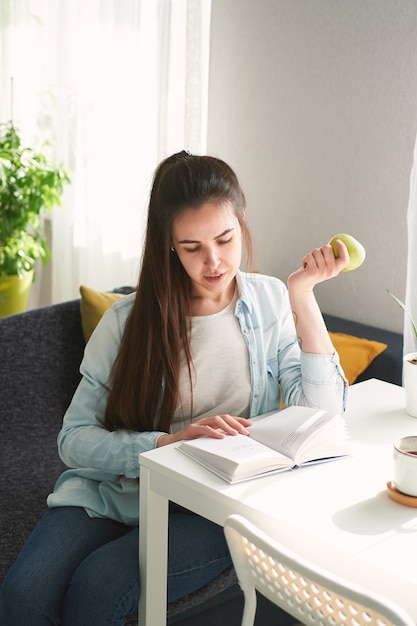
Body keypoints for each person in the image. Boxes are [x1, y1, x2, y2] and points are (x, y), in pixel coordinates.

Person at [0, 151, 348, 625]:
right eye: (191, 247)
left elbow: (323, 417)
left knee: (98, 590)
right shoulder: (126, 321)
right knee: (22, 598)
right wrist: (166, 444)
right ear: (168, 244)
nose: (213, 261)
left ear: (241, 223)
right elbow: (72, 439)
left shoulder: (270, 301)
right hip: (113, 492)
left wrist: (303, 297)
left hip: (215, 503)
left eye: (225, 239)